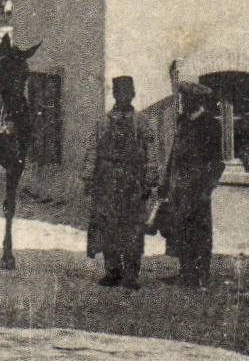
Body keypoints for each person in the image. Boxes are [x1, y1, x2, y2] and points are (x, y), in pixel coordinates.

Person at [84, 76, 161, 290]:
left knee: (133, 228)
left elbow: (151, 153)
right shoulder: (103, 122)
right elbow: (93, 151)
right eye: (119, 93)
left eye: (127, 93)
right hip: (107, 182)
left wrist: (151, 179)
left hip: (133, 183)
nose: (123, 97)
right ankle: (112, 271)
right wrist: (89, 177)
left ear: (133, 95)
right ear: (114, 95)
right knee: (108, 226)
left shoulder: (142, 122)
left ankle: (131, 273)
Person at [158, 82, 224, 287]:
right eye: (183, 99)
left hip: (198, 186)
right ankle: (185, 272)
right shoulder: (182, 121)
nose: (185, 103)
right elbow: (174, 154)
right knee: (181, 229)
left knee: (199, 230)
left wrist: (206, 188)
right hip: (179, 185)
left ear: (199, 101)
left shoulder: (210, 124)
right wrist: (165, 182)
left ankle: (201, 274)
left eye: (189, 100)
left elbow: (216, 162)